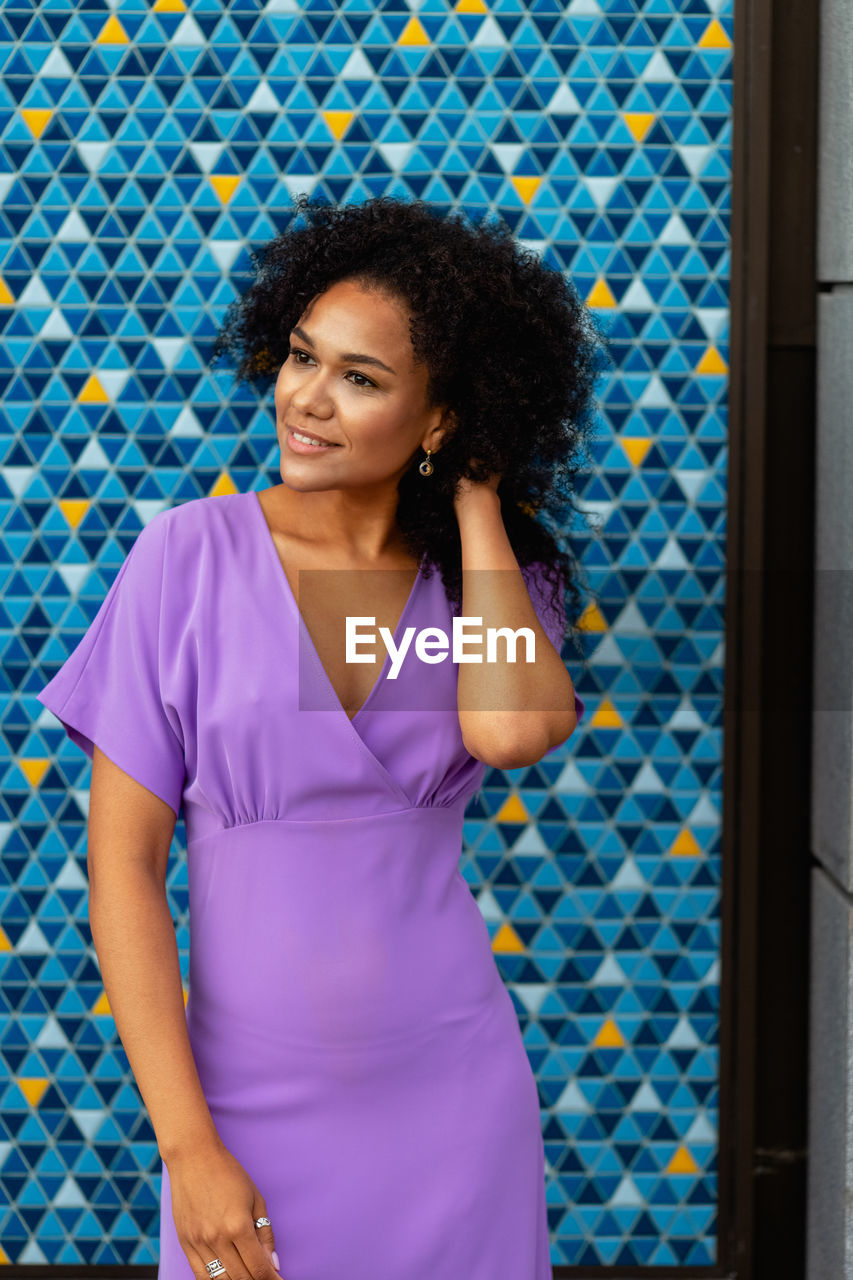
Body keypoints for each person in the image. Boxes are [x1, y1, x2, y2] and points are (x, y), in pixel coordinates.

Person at [36, 194, 607, 1280]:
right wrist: (188, 1143)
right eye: (303, 356)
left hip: (454, 1099)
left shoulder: (487, 587)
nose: (305, 398)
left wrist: (476, 496)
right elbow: (121, 869)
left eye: (361, 377)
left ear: (439, 417)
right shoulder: (186, 557)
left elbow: (514, 725)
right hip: (240, 1110)